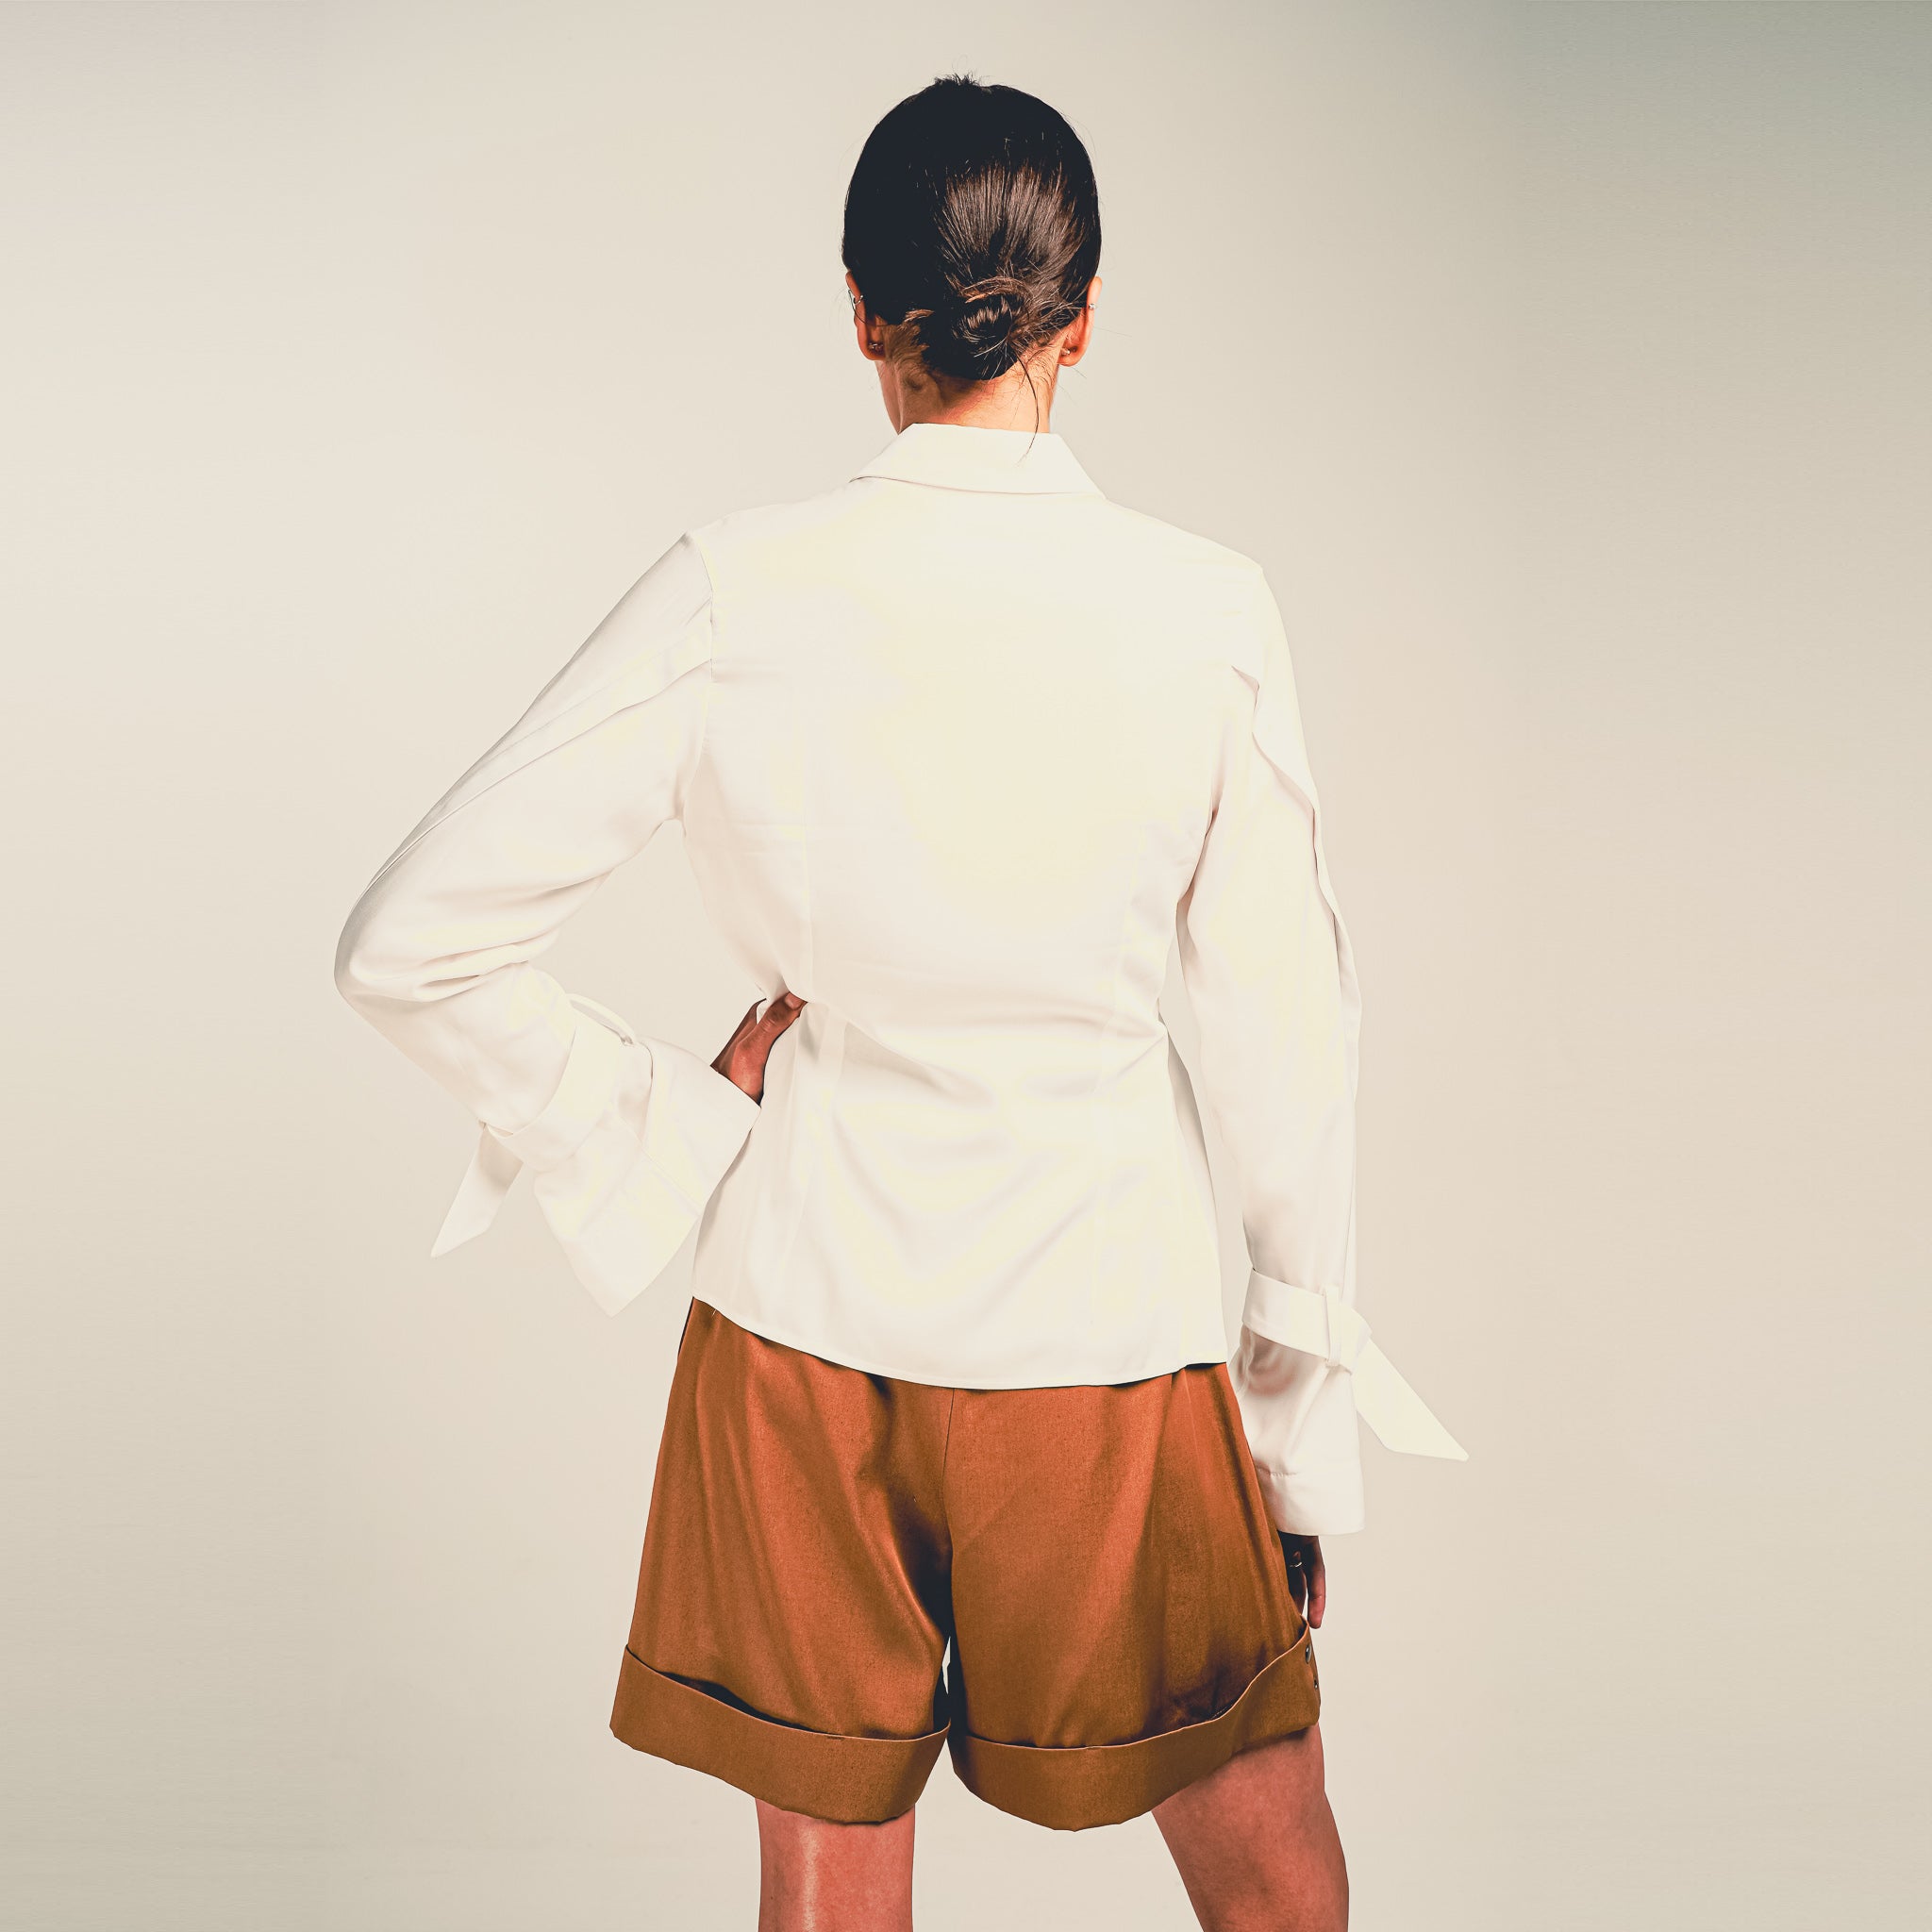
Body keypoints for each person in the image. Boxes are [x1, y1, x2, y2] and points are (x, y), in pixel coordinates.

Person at [334, 72, 1462, 1932]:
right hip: (1105, 1337)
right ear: (1081, 323)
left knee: (828, 1896)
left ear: (863, 313)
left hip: (798, 1327)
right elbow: (1288, 1054)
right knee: (1273, 1877)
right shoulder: (1203, 611)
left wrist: (667, 1122)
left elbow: (405, 942)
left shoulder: (733, 591)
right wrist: (1291, 1449)